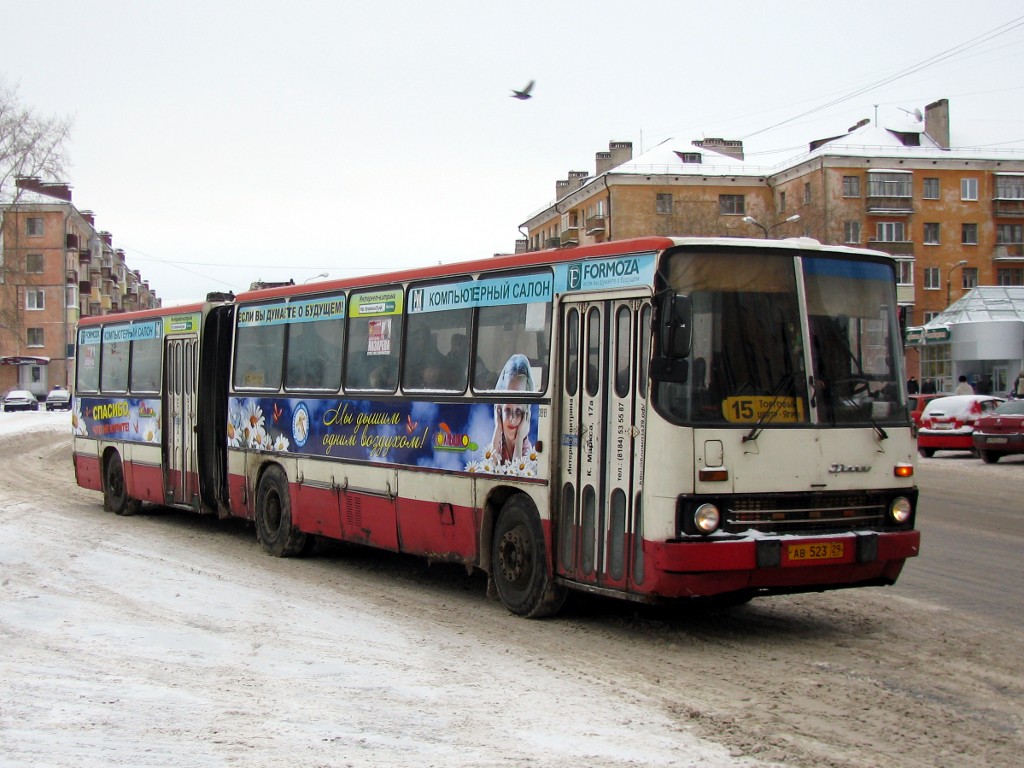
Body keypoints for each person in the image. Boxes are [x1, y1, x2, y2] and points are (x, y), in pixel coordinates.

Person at [491, 354, 535, 462]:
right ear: (499, 410)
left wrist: (519, 437)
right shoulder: (498, 442)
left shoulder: (528, 451)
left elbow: (517, 473)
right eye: (508, 410)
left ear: (526, 414)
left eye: (518, 411)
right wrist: (498, 428)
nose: (512, 418)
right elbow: (488, 470)